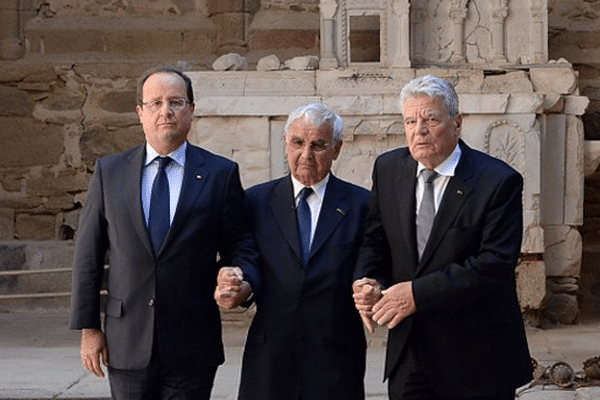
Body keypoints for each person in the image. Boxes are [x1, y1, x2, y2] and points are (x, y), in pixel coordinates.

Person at [69, 66, 259, 400]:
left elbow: (240, 244)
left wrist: (237, 277)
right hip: (126, 339)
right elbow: (88, 255)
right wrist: (89, 329)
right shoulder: (109, 172)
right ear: (139, 112)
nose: (165, 111)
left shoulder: (220, 174)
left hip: (192, 340)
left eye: (175, 102)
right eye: (155, 103)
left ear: (191, 110)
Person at [353, 75, 532, 400]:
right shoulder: (388, 169)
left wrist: (416, 294)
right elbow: (375, 239)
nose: (419, 130)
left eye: (430, 119)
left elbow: (493, 265)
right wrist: (368, 279)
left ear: (457, 123)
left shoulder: (498, 181)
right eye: (410, 120)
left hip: (477, 355)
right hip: (409, 351)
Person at [215, 103, 370, 400]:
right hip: (270, 358)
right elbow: (245, 259)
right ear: (285, 142)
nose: (306, 154)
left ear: (337, 149)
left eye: (318, 145)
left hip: (336, 358)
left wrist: (371, 285)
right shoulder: (256, 202)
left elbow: (372, 262)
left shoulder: (361, 205)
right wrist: (236, 283)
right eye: (298, 143)